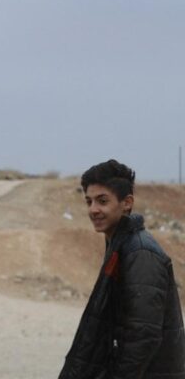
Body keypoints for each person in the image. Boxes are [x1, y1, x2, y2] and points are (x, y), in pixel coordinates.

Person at [60, 160, 185, 378]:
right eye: (89, 201)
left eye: (102, 201)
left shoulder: (141, 252)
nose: (93, 209)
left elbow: (143, 335)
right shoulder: (121, 245)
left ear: (127, 203)